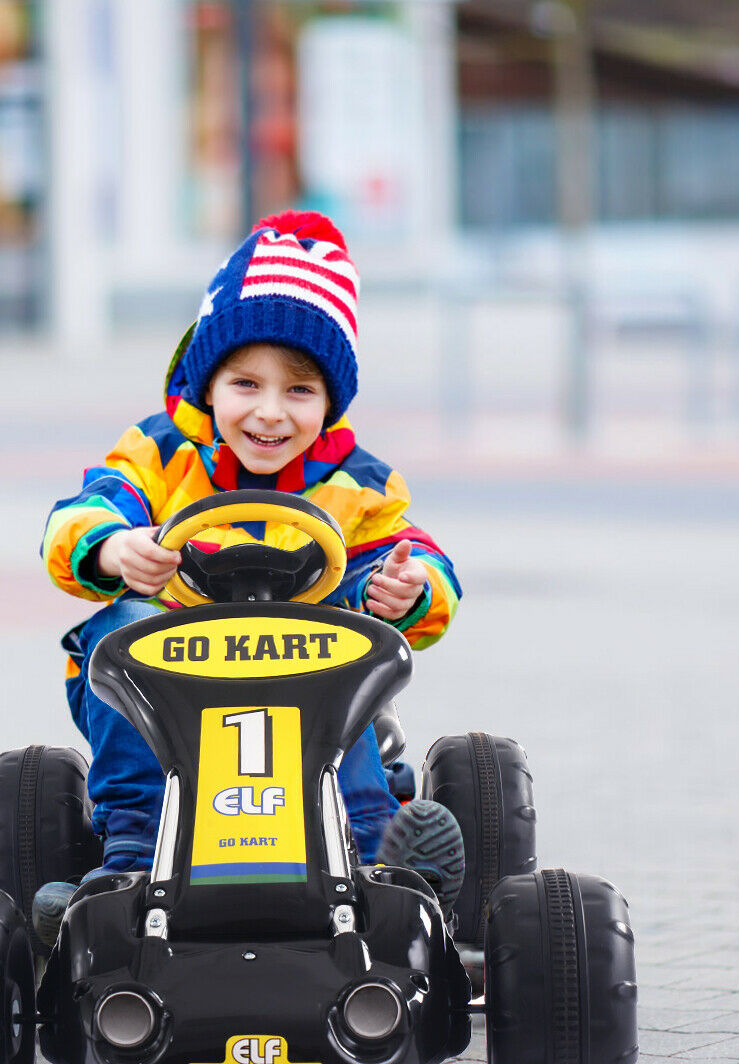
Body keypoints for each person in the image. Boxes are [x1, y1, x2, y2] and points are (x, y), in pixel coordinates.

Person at [34, 211, 463, 945]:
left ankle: (374, 856)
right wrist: (112, 548)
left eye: (299, 391)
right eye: (245, 384)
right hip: (174, 689)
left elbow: (411, 555)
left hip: (306, 693)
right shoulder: (160, 452)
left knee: (355, 649)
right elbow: (83, 513)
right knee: (121, 628)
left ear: (330, 401)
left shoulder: (358, 484)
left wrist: (408, 587)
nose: (269, 413)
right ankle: (134, 848)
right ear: (209, 380)